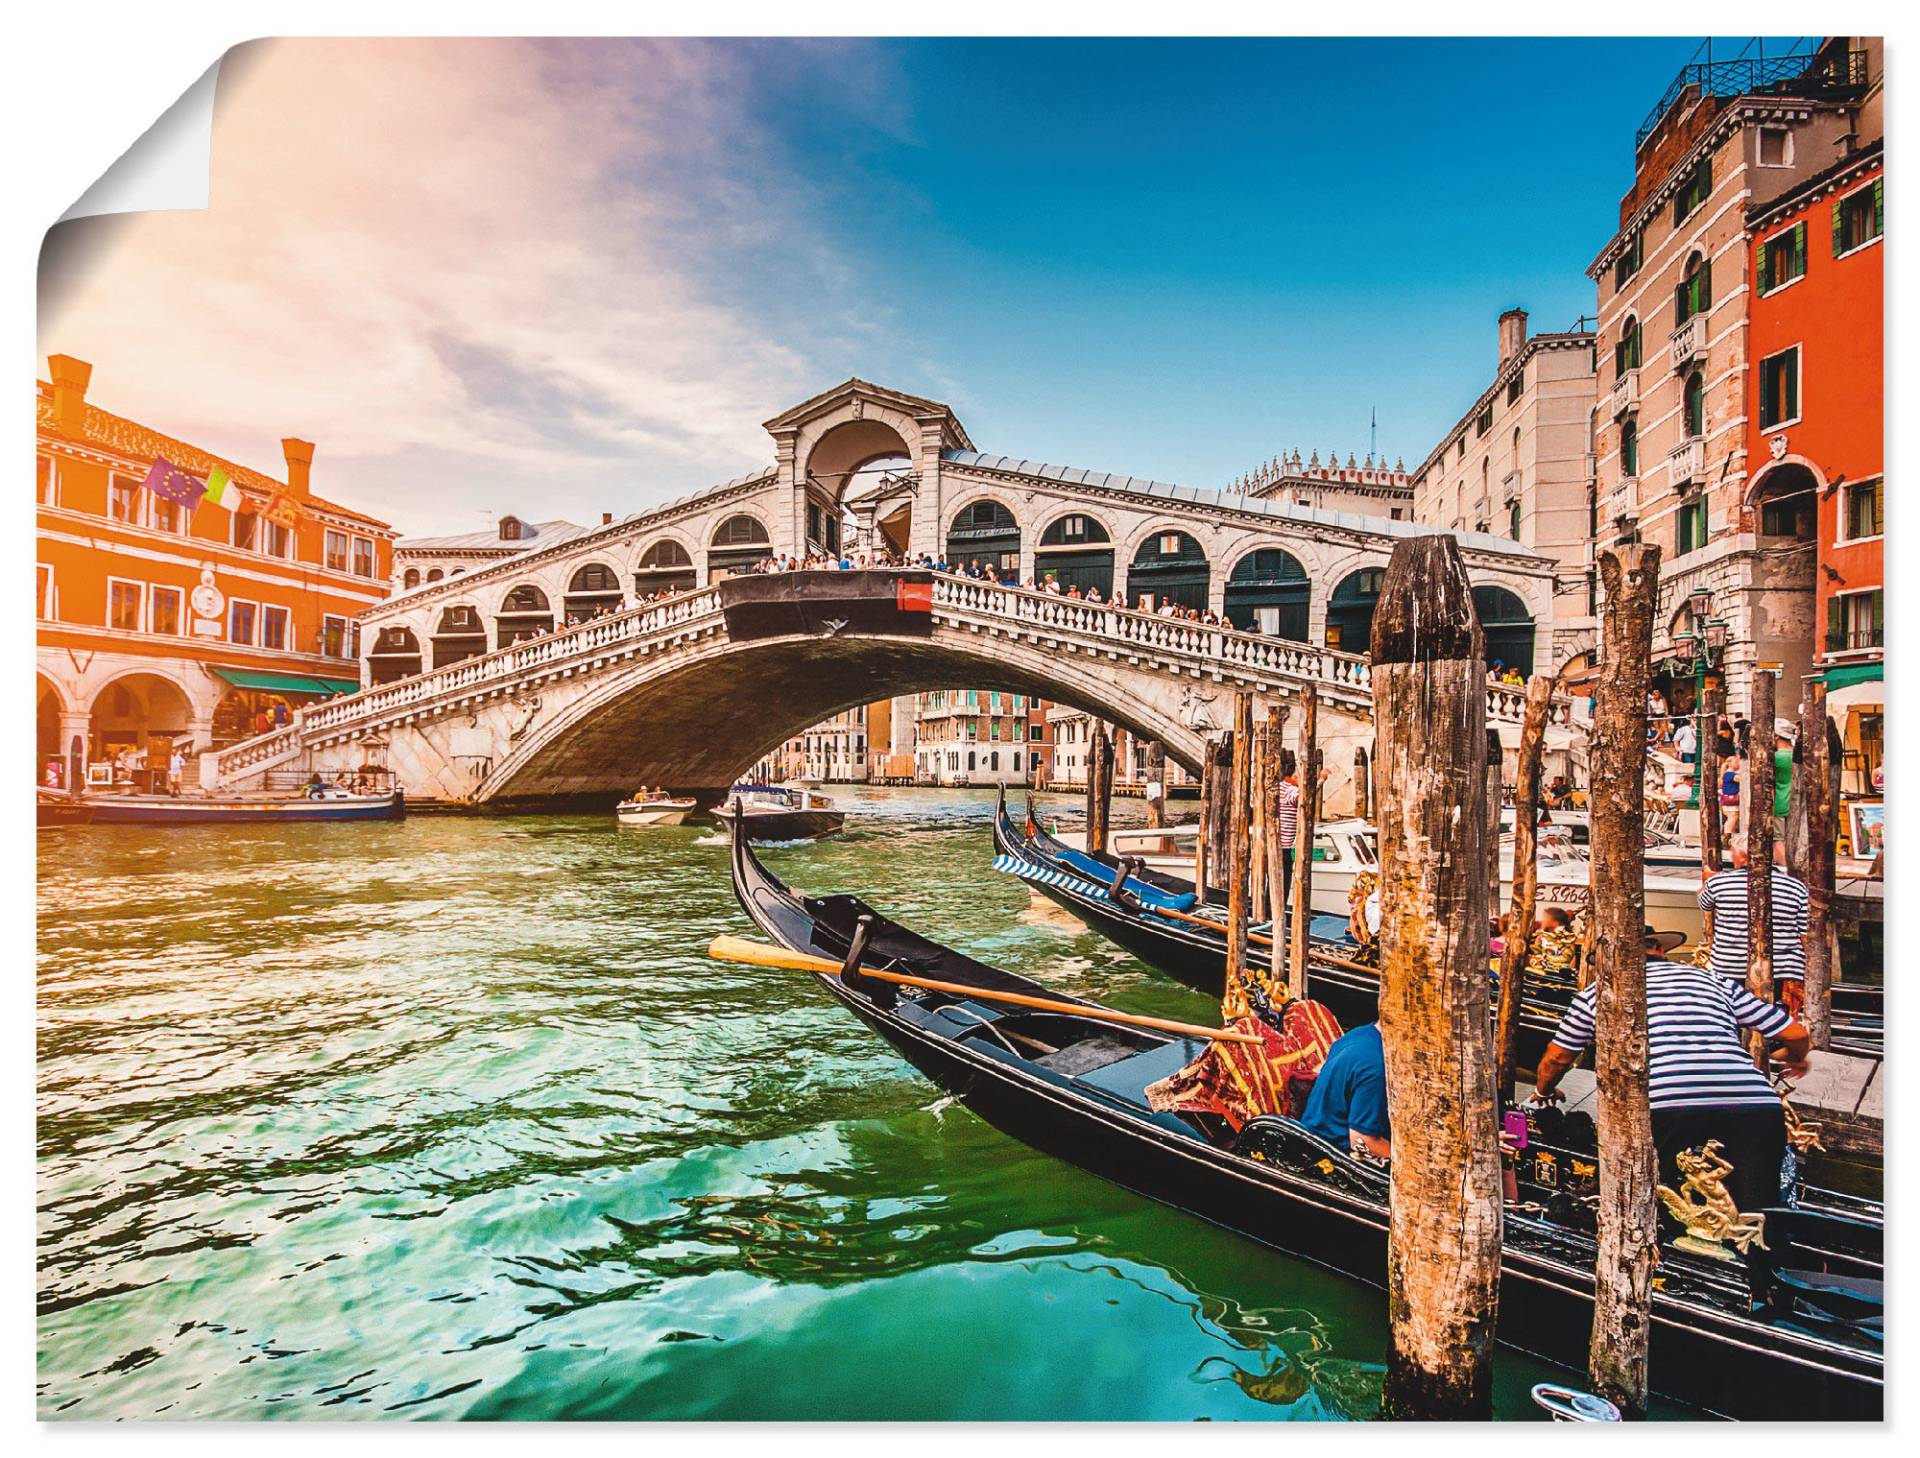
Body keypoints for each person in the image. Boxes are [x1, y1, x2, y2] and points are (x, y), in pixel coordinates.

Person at [1533, 957, 1810, 1221]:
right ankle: (1763, 1267)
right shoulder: (1713, 981)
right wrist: (1792, 1057)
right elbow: (1796, 1034)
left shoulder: (1600, 992)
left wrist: (1544, 1092)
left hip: (1668, 1106)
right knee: (1758, 1208)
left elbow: (1557, 1059)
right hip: (1755, 1104)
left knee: (1668, 1200)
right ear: (1662, 954)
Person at [1699, 846, 1811, 1015]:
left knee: (1732, 1015)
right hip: (1784, 968)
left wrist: (1708, 880)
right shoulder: (1796, 887)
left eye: (1733, 853)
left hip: (1729, 967)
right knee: (1777, 1017)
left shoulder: (1718, 883)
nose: (1731, 857)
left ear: (1743, 857)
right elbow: (1805, 934)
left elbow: (1704, 903)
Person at [1299, 1023, 1390, 1158]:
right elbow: (1363, 1142)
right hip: (1334, 1154)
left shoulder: (1359, 1033)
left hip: (1317, 1131)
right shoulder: (1377, 1069)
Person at [1274, 750, 1301, 895]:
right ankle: (1277, 911)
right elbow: (1304, 799)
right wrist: (1320, 780)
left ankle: (1267, 910)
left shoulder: (1275, 787)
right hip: (1285, 846)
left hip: (1272, 843)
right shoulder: (1290, 789)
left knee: (1272, 881)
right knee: (1283, 883)